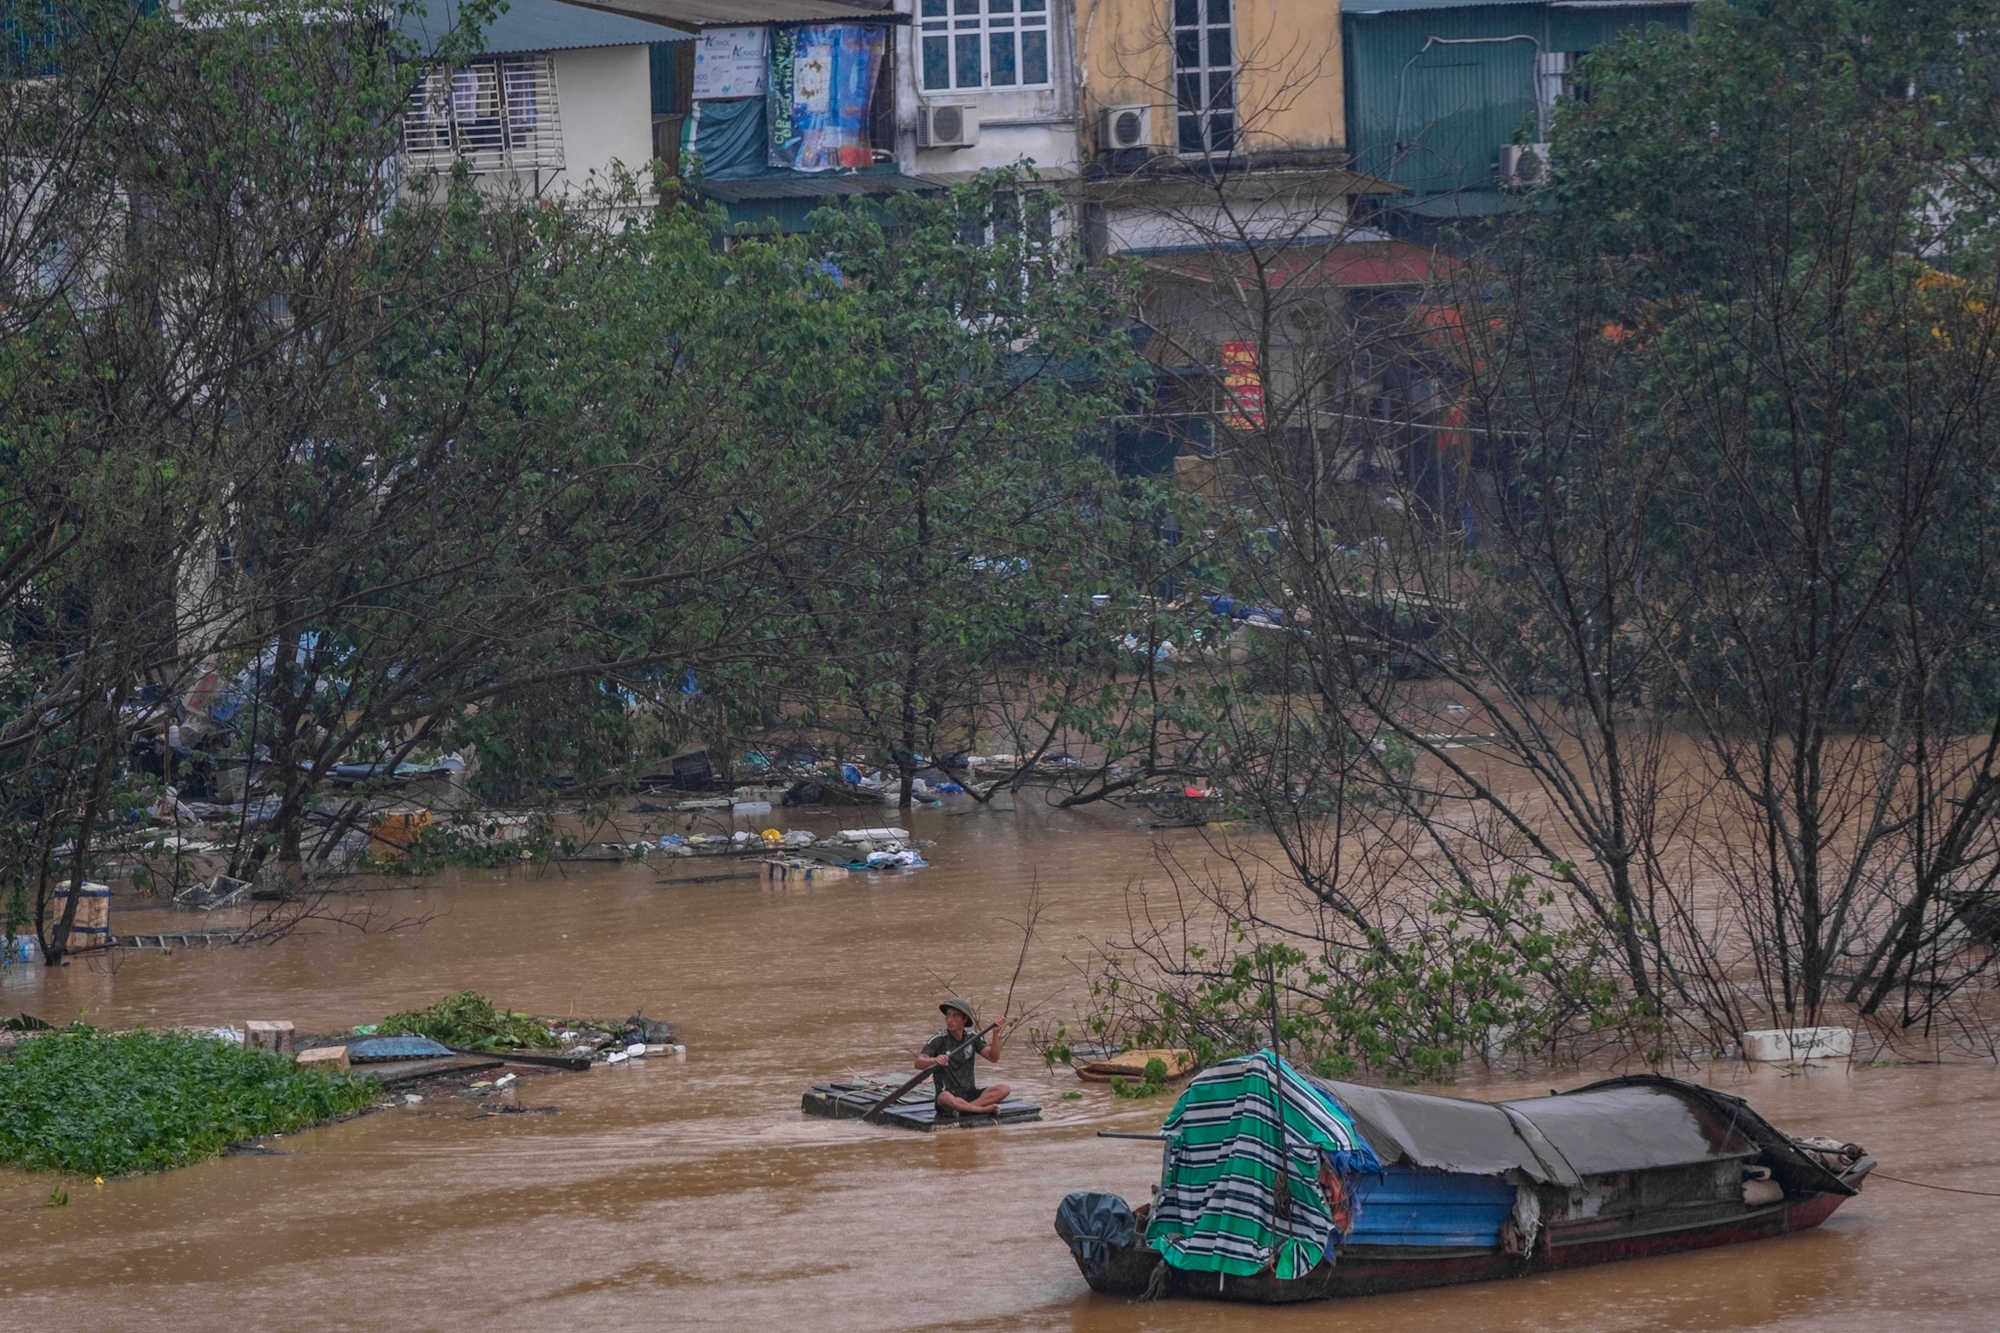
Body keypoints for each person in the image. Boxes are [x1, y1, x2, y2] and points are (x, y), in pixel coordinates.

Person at [918, 998, 1008, 1117]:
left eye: (955, 1016)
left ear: (965, 1019)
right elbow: (918, 1062)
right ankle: (979, 1109)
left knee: (1003, 1089)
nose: (950, 1020)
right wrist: (935, 1060)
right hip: (949, 1095)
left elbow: (993, 1057)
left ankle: (967, 1108)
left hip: (970, 1094)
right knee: (945, 1097)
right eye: (948, 1015)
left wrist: (996, 1034)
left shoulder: (972, 1037)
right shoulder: (940, 1038)